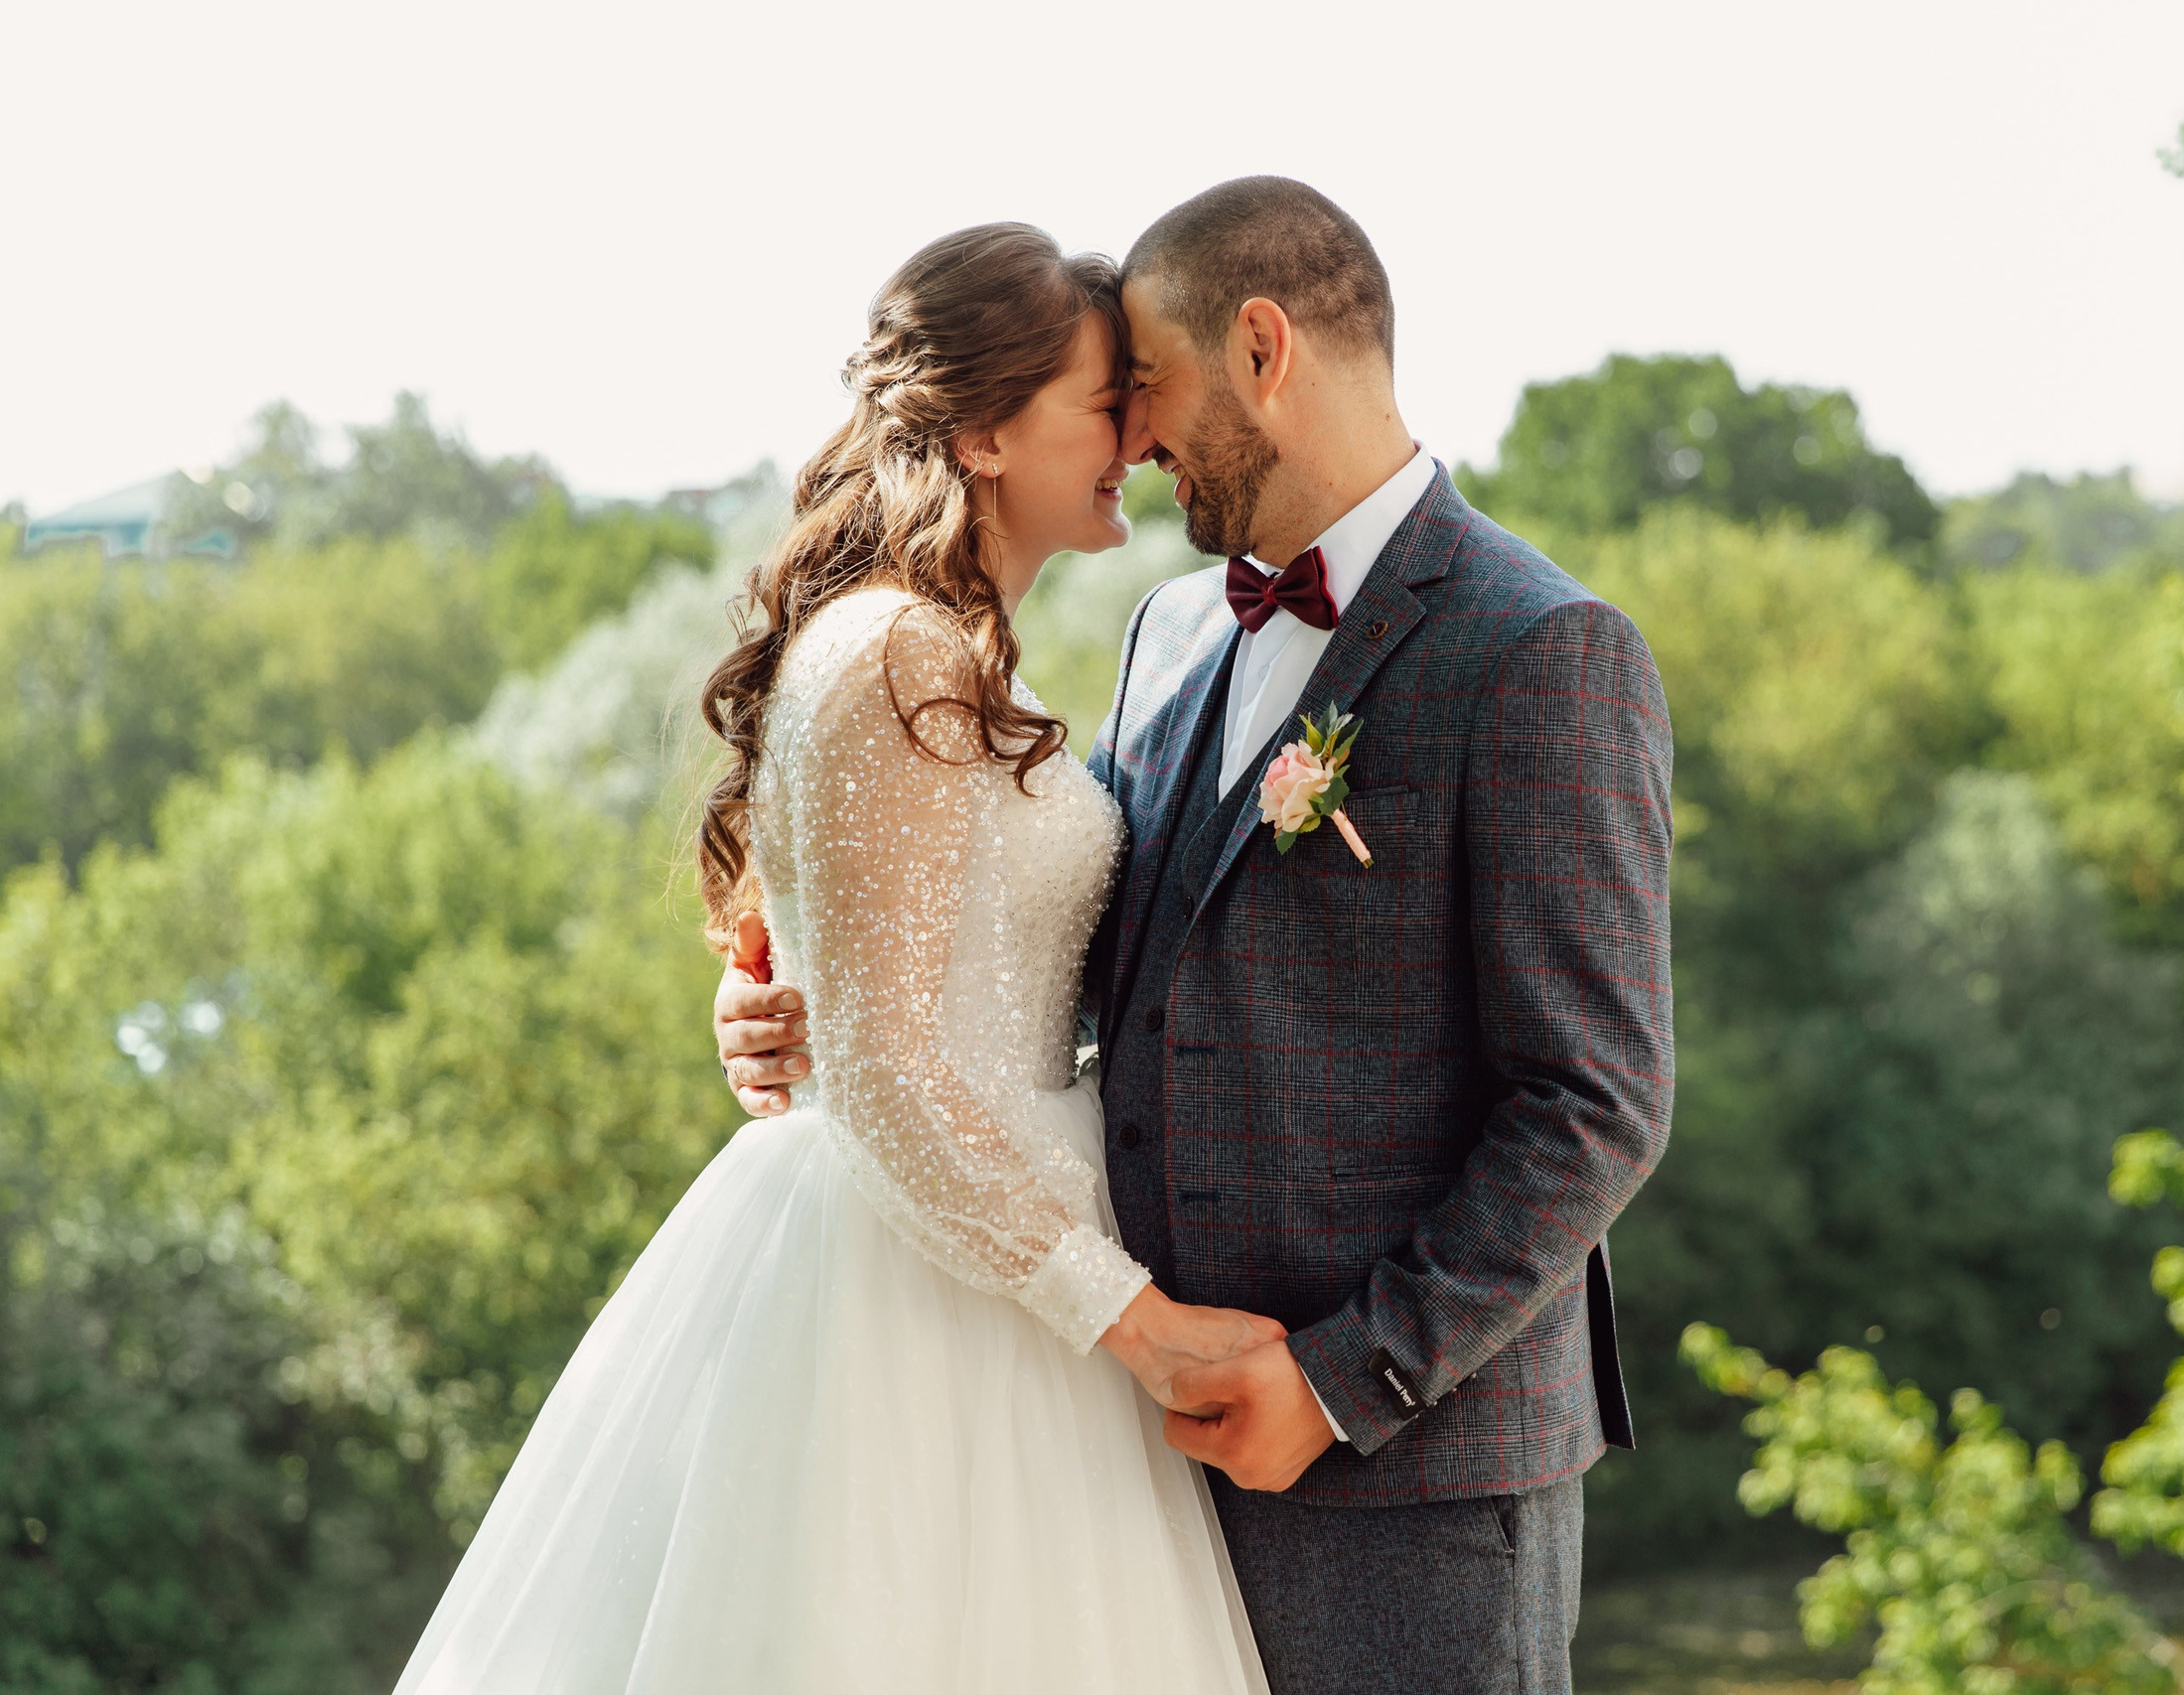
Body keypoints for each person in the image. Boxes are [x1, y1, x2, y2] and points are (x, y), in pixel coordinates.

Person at [719, 178, 1676, 1695]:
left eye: (1147, 387)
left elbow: (1597, 1105)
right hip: (1107, 1444)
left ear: (1262, 347)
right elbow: (1080, 965)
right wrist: (809, 1006)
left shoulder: (1542, 650)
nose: (1139, 439)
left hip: (1405, 1477)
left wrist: (1338, 1378)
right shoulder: (1169, 635)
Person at [392, 223, 1277, 1695]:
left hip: (997, 1240)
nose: (1136, 431)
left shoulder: (958, 651)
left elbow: (883, 966)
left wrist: (763, 987)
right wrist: (1141, 1330)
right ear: (988, 431)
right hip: (924, 1287)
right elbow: (873, 1061)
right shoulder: (899, 656)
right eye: (1103, 396)